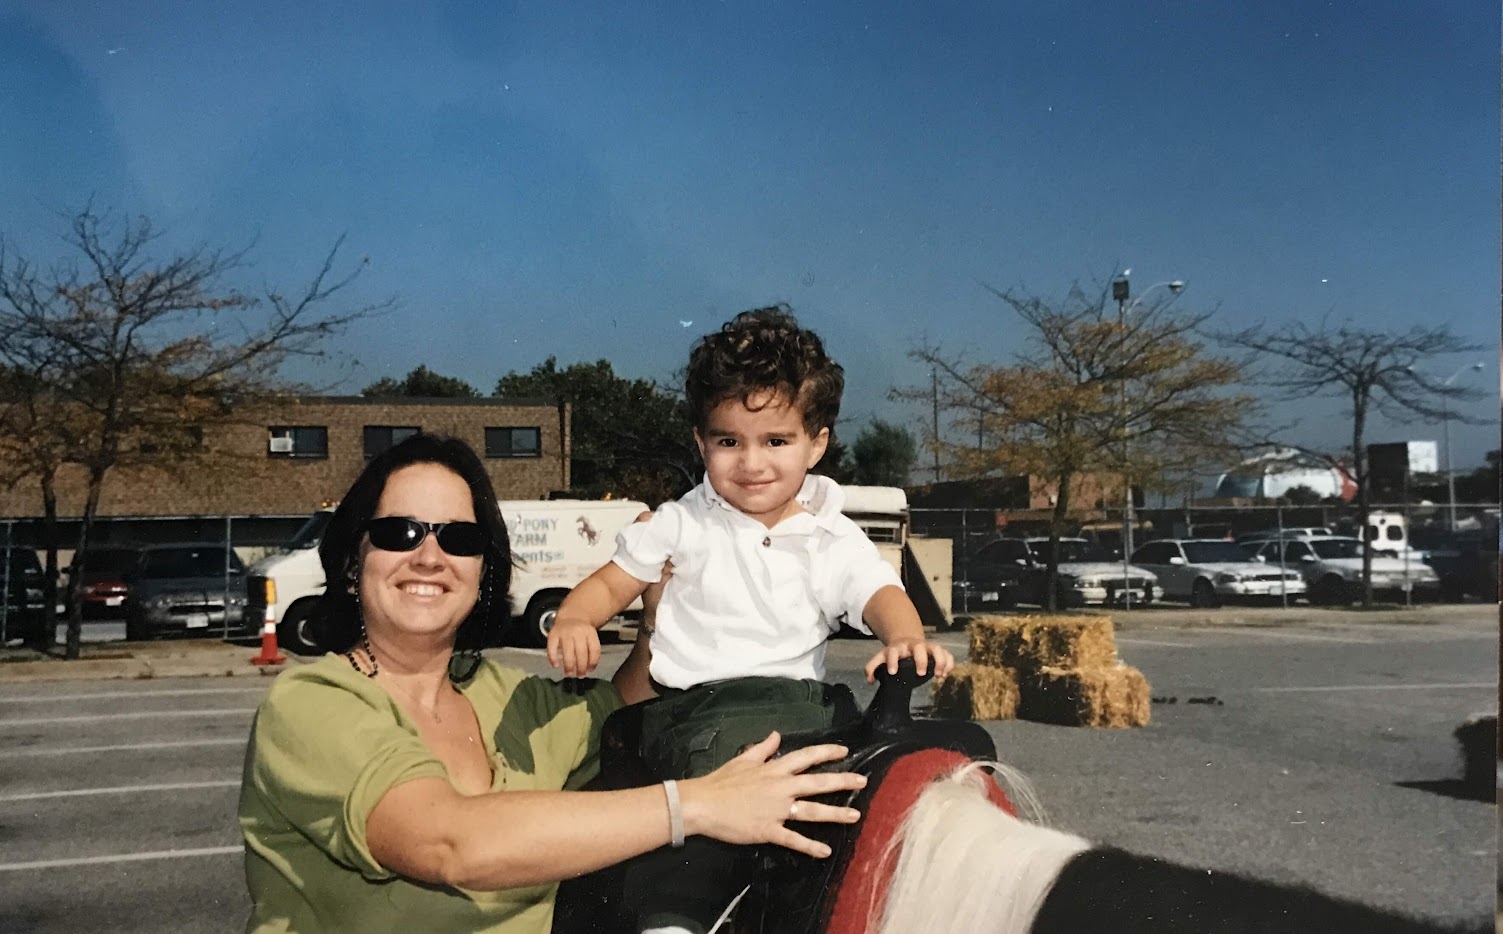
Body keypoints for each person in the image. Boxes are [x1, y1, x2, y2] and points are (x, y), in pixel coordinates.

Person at [237, 433, 868, 934]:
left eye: (459, 538)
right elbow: (449, 844)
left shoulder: (509, 697)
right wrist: (698, 804)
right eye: (400, 532)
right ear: (352, 561)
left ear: (483, 571)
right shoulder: (312, 704)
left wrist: (665, 609)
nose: (429, 557)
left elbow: (630, 704)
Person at [546, 306, 955, 934]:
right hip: (696, 713)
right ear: (700, 442)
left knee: (864, 789)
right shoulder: (684, 521)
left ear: (816, 443)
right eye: (728, 441)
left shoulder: (830, 532)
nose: (752, 463)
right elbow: (612, 581)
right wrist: (577, 617)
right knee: (701, 827)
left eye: (777, 441)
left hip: (801, 708)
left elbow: (878, 590)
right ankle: (672, 920)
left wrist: (903, 636)